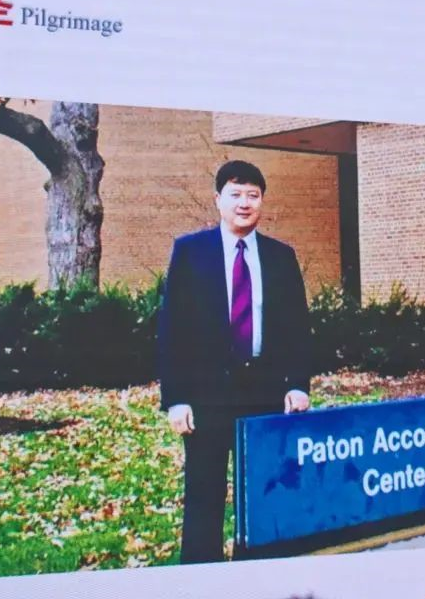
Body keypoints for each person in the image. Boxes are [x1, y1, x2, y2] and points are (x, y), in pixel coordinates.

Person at [156, 159, 313, 564]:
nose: (245, 203)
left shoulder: (281, 256)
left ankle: (258, 574)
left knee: (266, 492)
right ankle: (201, 578)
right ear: (218, 200)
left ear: (262, 202)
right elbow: (172, 329)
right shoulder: (190, 252)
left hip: (266, 394)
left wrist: (298, 384)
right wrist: (176, 398)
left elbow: (297, 327)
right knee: (204, 495)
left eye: (253, 195)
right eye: (236, 194)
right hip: (206, 395)